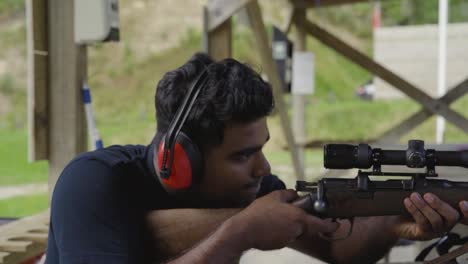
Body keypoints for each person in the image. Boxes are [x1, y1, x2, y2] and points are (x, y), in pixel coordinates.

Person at [46, 53, 468, 264]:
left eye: (262, 147)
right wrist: (239, 233)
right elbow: (241, 232)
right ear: (183, 157)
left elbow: (344, 250)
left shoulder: (256, 190)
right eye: (243, 155)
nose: (263, 168)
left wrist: (398, 221)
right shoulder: (94, 184)